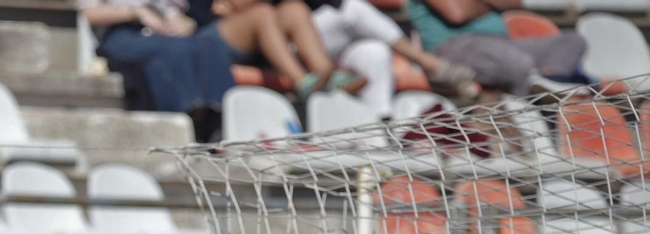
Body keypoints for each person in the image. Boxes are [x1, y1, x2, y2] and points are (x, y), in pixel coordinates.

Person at [79, 0, 235, 138]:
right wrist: (136, 13)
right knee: (175, 50)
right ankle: (189, 117)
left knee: (210, 45)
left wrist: (184, 22)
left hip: (162, 32)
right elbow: (84, 13)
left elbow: (173, 9)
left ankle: (223, 117)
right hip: (119, 33)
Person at [303, 0, 476, 116]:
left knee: (376, 52)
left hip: (340, 42)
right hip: (300, 42)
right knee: (352, 8)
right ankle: (425, 61)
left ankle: (381, 121)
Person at [405, 0, 585, 97]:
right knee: (518, 62)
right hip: (454, 46)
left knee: (572, 41)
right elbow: (458, 13)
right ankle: (532, 99)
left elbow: (517, 3)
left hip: (502, 43)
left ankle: (547, 82)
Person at [200, 0, 367, 101]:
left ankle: (326, 75)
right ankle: (303, 83)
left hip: (255, 31)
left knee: (294, 8)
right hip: (206, 39)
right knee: (261, 13)